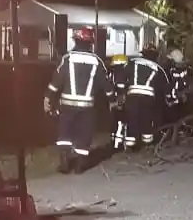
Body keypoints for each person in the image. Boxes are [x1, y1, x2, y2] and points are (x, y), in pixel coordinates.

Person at [44, 27, 114, 174]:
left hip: (67, 105)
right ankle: (79, 166)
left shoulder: (67, 59)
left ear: (75, 40)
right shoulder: (97, 61)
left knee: (64, 133)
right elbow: (105, 84)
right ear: (91, 43)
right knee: (84, 134)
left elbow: (56, 81)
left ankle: (64, 162)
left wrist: (48, 98)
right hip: (87, 107)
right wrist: (112, 100)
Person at [122, 43, 170, 150]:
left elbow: (121, 79)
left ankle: (130, 146)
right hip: (148, 99)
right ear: (155, 55)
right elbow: (165, 87)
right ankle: (146, 145)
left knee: (132, 119)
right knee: (146, 119)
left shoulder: (131, 63)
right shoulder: (158, 68)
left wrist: (121, 92)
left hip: (132, 96)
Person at [108, 54, 130, 150]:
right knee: (121, 122)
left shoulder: (112, 74)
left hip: (113, 101)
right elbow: (122, 89)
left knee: (115, 122)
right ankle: (119, 143)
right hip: (120, 102)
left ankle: (114, 141)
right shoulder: (122, 73)